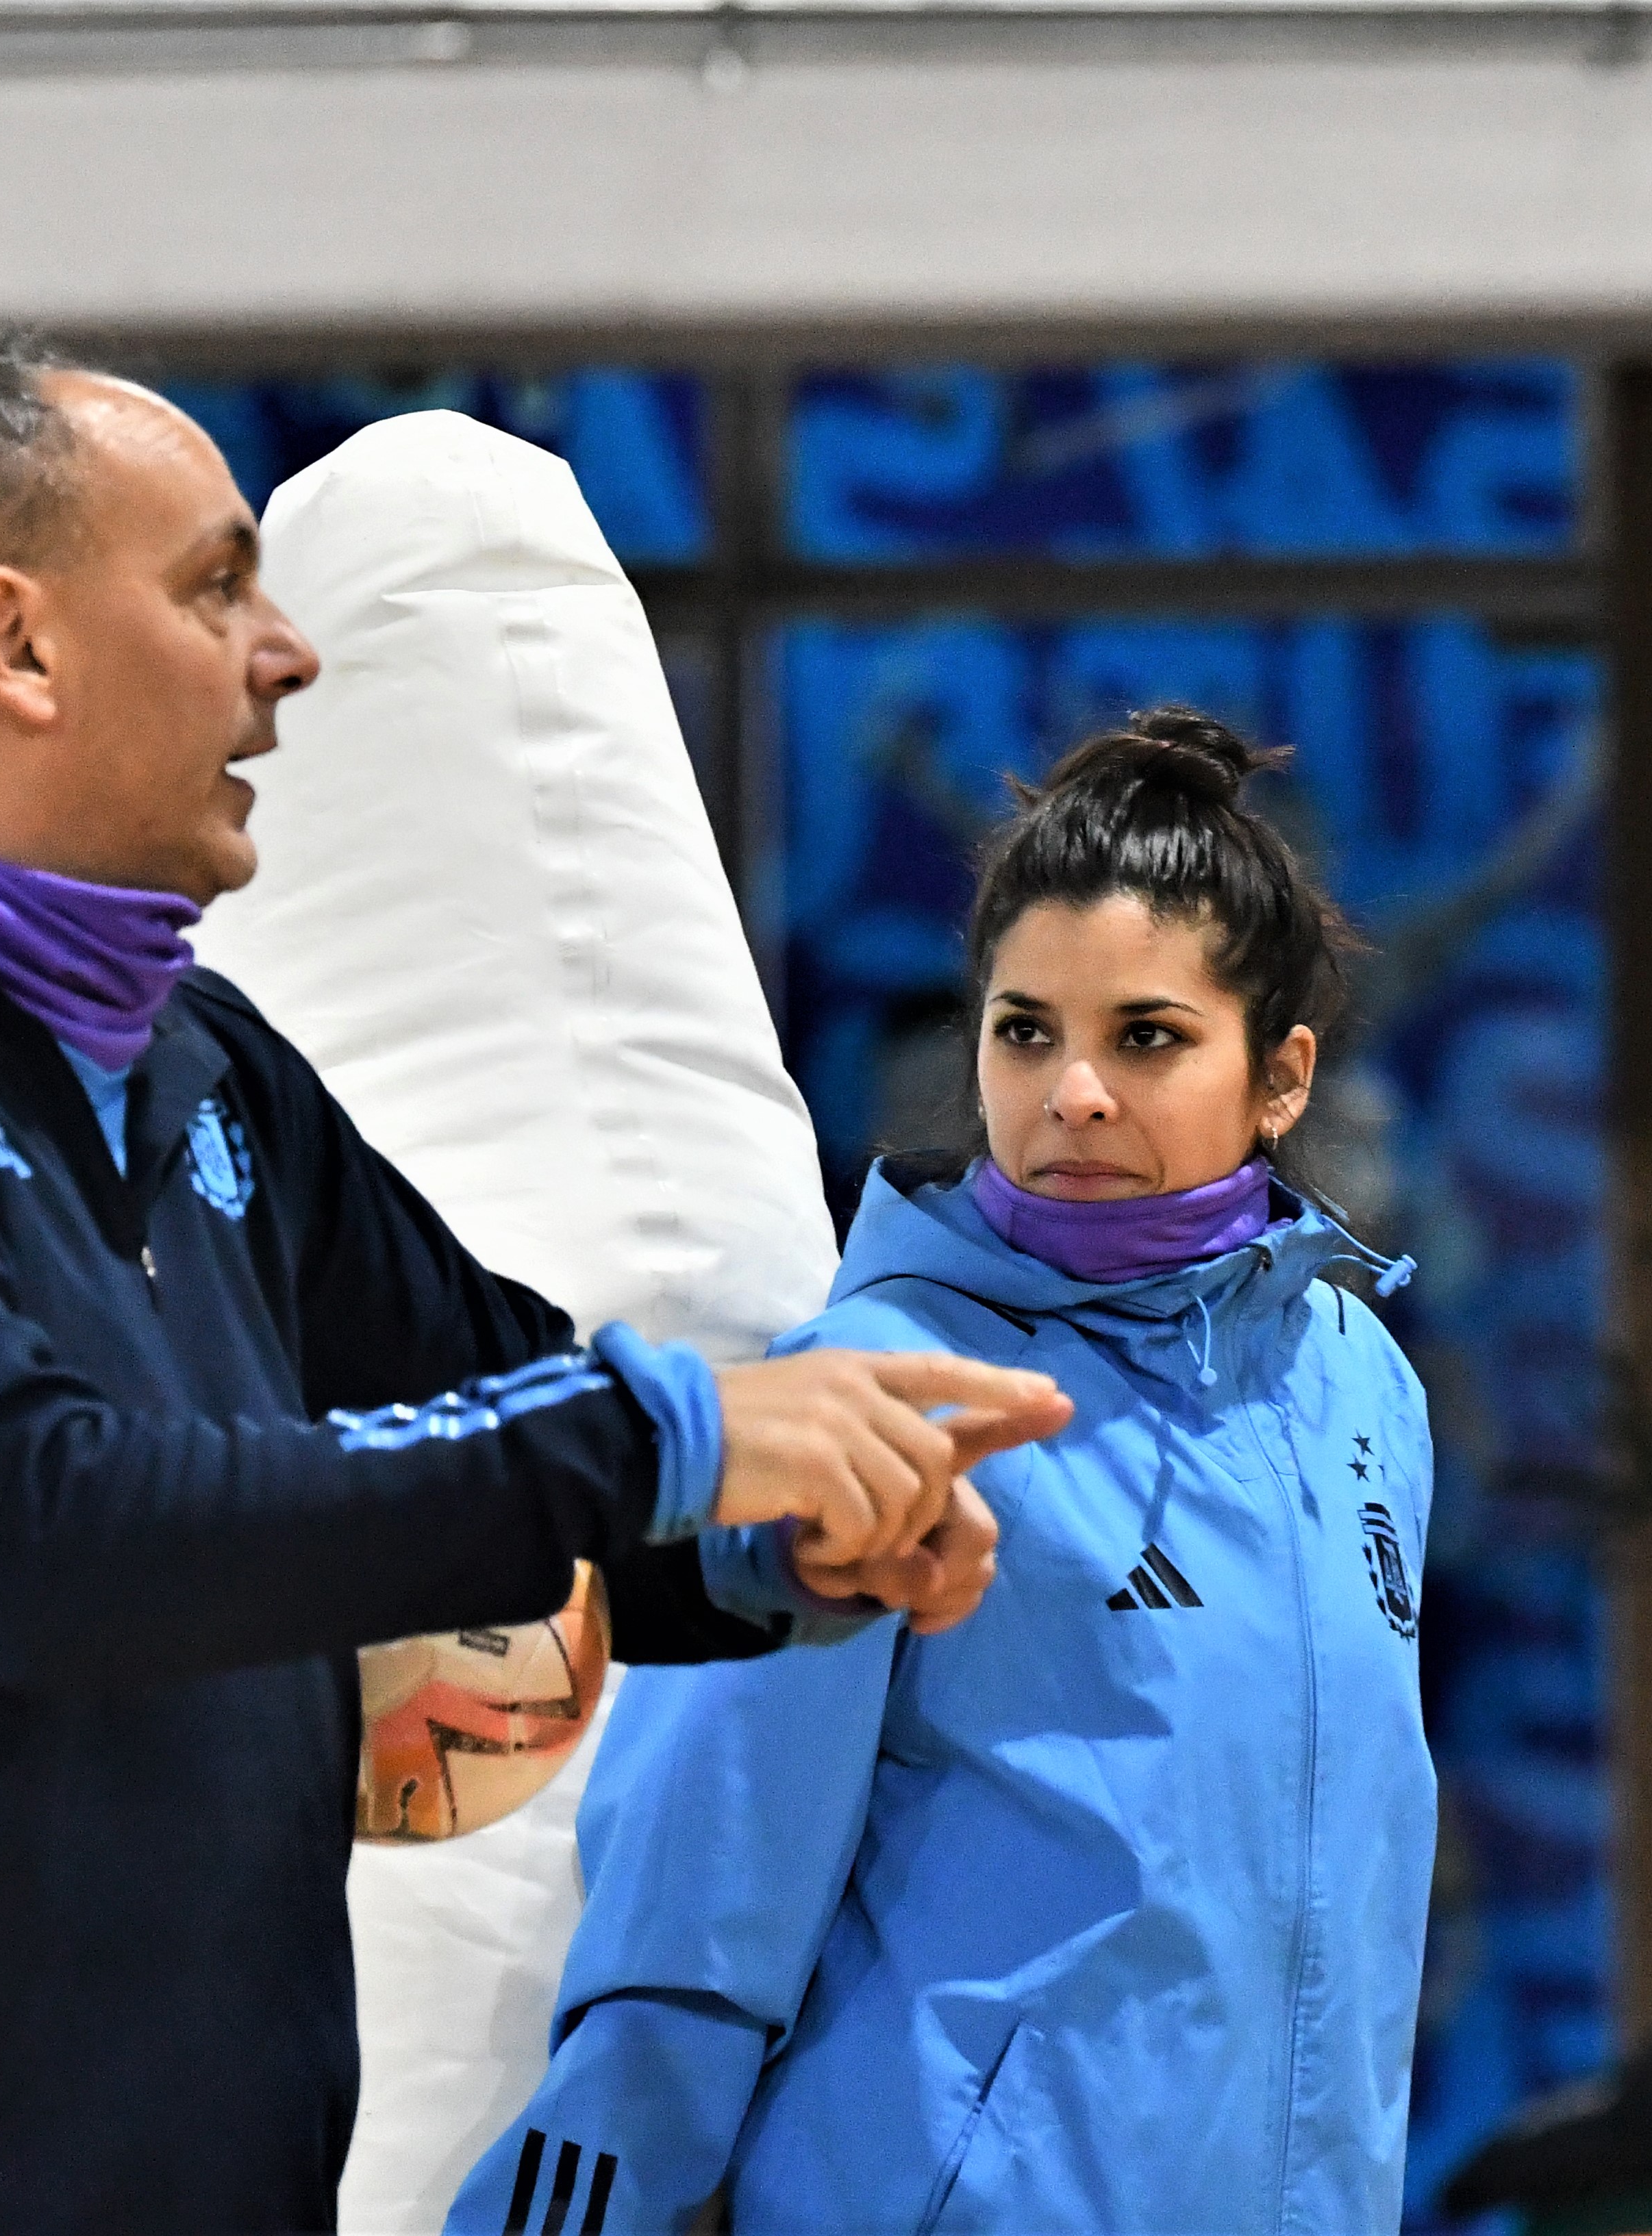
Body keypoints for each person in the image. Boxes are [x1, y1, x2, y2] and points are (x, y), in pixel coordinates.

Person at [0, 332, 1073, 2236]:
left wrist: (775, 1550)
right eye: (214, 587)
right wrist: (677, 1438)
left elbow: (511, 1432)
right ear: (20, 644)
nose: (289, 652)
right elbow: (34, 1528)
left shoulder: (204, 1071)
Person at [452, 708, 1436, 2236]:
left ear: (1284, 1075)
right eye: (1026, 1028)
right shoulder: (872, 1386)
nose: (1076, 1092)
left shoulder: (1361, 1385)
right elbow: (691, 1921)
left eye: (1148, 1037)